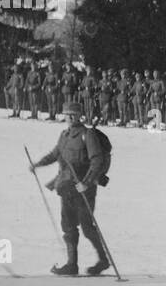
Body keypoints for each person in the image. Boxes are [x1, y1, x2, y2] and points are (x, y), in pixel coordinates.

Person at [31, 101, 111, 275]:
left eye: (73, 114)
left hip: (84, 188)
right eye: (68, 114)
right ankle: (71, 264)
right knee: (68, 225)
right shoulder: (64, 135)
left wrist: (87, 182)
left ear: (80, 115)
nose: (70, 117)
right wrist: (37, 164)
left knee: (87, 226)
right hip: (66, 185)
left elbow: (97, 160)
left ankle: (103, 260)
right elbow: (55, 154)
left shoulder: (87, 135)